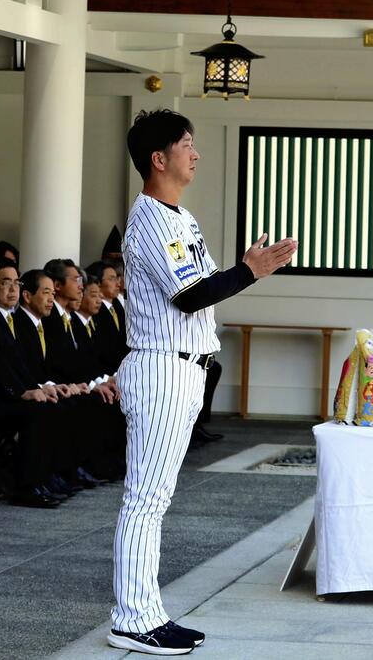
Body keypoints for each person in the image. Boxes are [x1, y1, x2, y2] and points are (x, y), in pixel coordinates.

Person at [109, 110, 296, 655]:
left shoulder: (179, 217)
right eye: (186, 145)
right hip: (162, 363)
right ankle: (132, 617)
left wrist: (244, 269)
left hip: (185, 363)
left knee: (154, 498)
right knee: (145, 499)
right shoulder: (149, 218)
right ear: (157, 158)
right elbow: (189, 295)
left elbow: (206, 285)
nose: (195, 154)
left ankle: (146, 610)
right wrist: (251, 270)